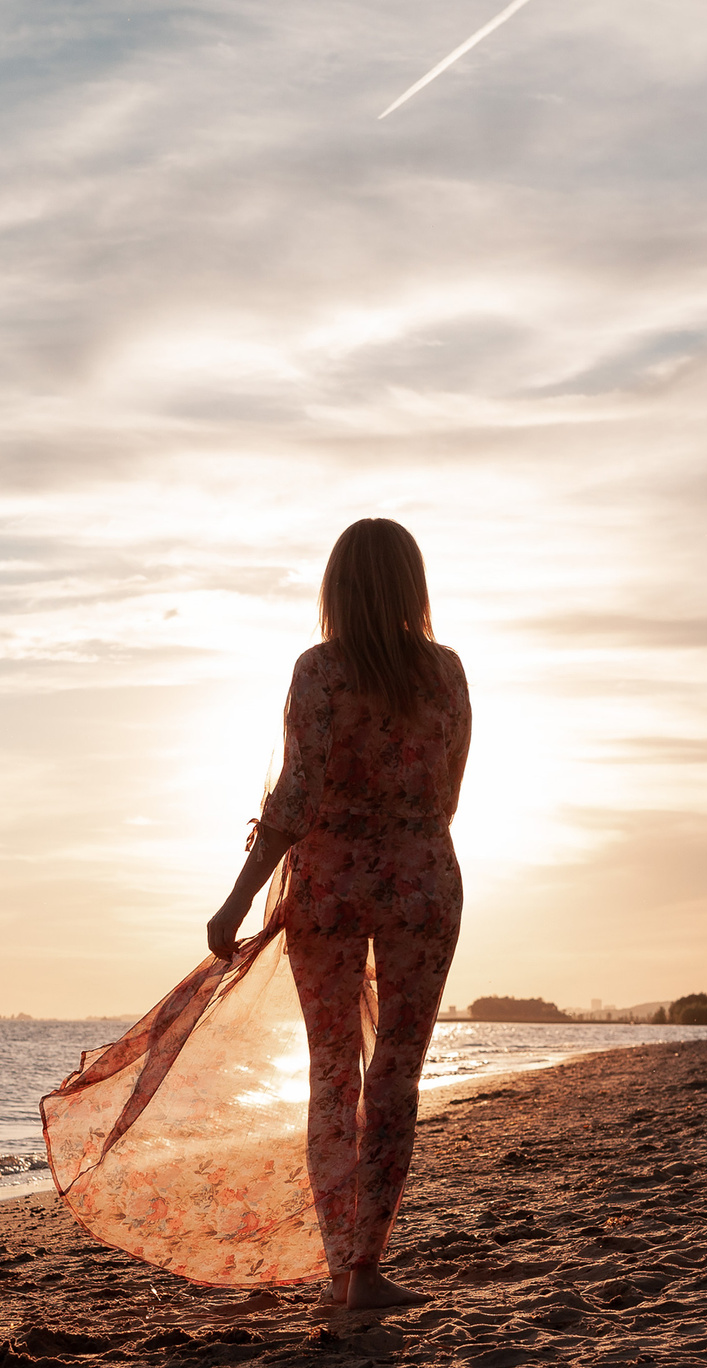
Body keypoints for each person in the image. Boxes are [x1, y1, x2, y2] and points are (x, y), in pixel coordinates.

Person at [205, 518, 472, 1310]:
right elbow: (451, 790)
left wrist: (241, 892)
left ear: (337, 588)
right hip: (422, 880)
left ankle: (337, 1263)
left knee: (332, 1072)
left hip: (328, 881)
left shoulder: (320, 670)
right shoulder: (448, 673)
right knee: (396, 1074)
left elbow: (296, 795)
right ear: (412, 586)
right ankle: (366, 1269)